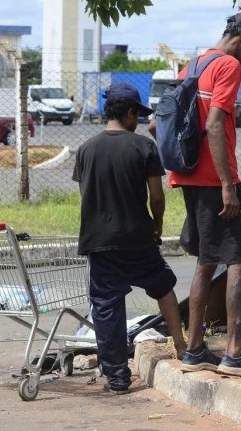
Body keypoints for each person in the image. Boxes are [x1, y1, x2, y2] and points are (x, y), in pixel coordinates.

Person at [150, 12, 241, 380]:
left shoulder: (195, 64)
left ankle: (196, 348)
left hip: (186, 178)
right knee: (237, 260)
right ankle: (234, 351)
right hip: (214, 181)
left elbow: (157, 123)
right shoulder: (228, 66)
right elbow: (215, 124)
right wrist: (226, 185)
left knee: (205, 260)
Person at [73, 82, 187, 394]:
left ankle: (117, 378)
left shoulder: (85, 150)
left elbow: (86, 198)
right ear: (129, 112)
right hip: (138, 238)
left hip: (99, 241)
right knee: (163, 286)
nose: (137, 121)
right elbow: (156, 196)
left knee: (107, 306)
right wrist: (158, 224)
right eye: (137, 115)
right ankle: (180, 344)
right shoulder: (143, 147)